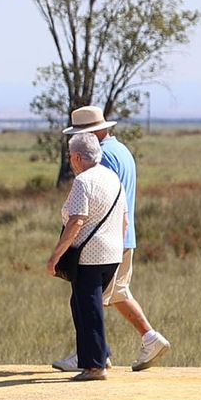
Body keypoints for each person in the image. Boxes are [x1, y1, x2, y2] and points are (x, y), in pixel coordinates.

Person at [51, 106, 171, 373]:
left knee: (95, 296)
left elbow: (93, 201)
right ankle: (99, 351)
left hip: (102, 240)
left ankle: (121, 347)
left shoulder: (102, 158)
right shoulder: (123, 151)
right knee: (111, 294)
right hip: (121, 234)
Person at [47, 133, 127, 381]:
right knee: (84, 305)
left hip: (89, 257)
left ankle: (94, 366)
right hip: (113, 254)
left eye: (71, 156)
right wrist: (118, 247)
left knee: (88, 307)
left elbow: (76, 221)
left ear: (78, 157)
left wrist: (55, 256)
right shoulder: (112, 177)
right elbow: (124, 219)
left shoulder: (84, 181)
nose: (70, 160)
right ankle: (99, 355)